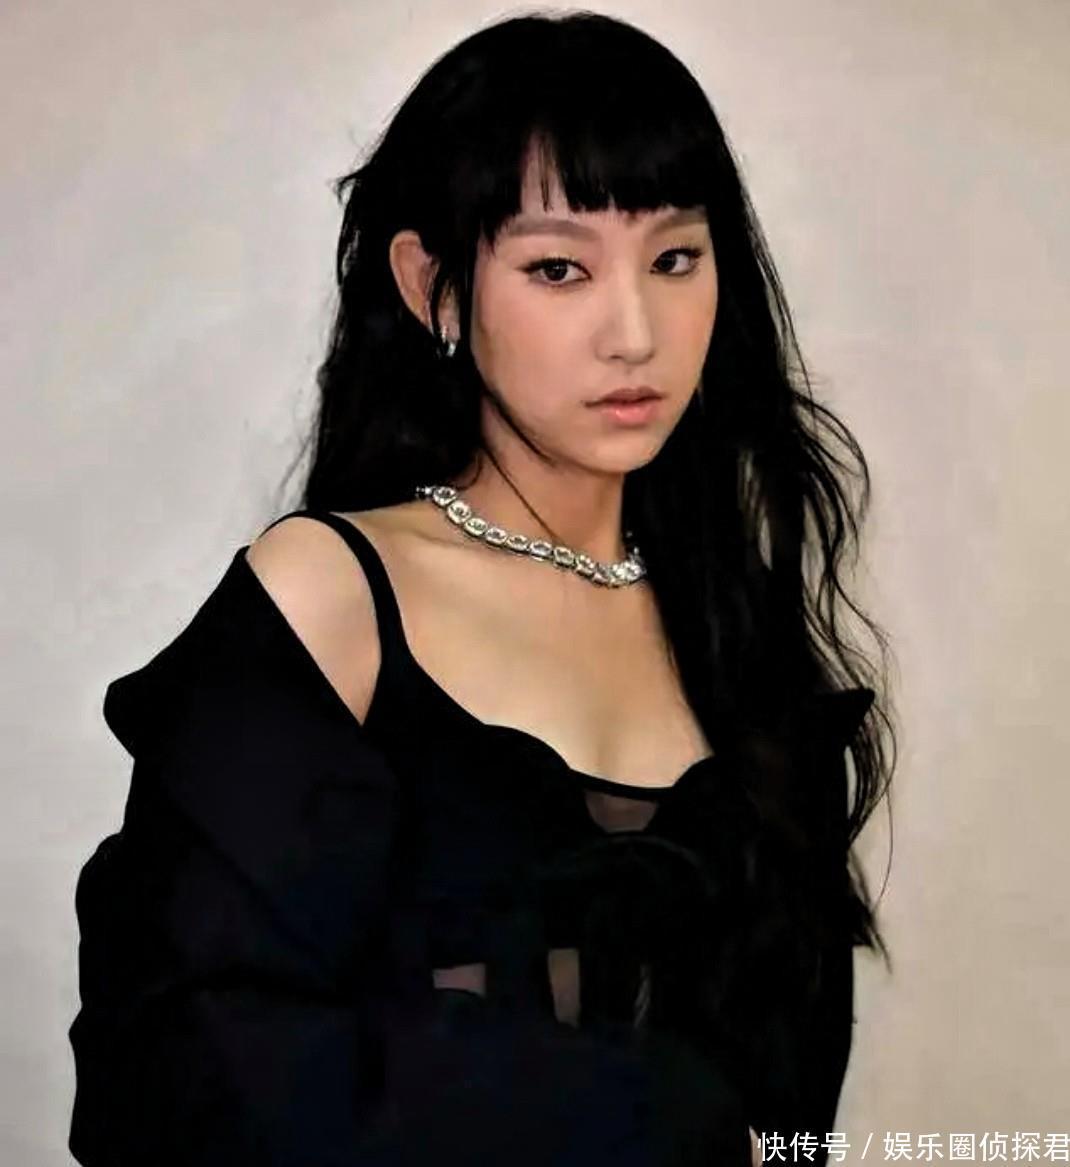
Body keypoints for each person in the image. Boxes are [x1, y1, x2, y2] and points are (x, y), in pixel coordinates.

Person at [68, 11, 894, 1166]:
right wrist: (654, 1117)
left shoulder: (744, 640)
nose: (635, 332)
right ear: (435, 289)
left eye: (675, 259)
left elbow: (791, 1127)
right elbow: (175, 1079)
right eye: (559, 268)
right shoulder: (333, 599)